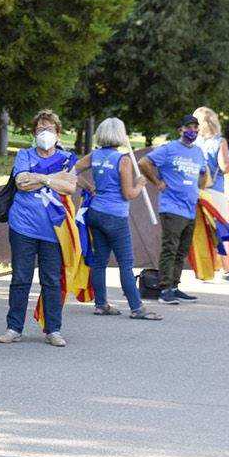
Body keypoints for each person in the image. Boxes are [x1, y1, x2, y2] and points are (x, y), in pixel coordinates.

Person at [0, 110, 79, 347]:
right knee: (21, 278)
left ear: (58, 133)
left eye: (50, 129)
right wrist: (53, 179)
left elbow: (70, 188)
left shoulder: (67, 158)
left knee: (52, 280)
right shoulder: (24, 154)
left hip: (55, 230)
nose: (45, 133)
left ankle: (53, 329)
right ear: (34, 133)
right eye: (41, 129)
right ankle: (14, 327)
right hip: (23, 226)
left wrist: (42, 178)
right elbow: (21, 182)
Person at [75, 118, 160, 321]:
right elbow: (128, 194)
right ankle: (137, 308)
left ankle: (101, 304)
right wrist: (140, 184)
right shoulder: (123, 160)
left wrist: (88, 186)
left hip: (95, 213)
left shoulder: (94, 155)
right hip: (115, 216)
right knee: (125, 262)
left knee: (99, 261)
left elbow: (72, 171)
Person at [139, 116, 210, 305]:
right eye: (189, 127)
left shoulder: (198, 151)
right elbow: (144, 163)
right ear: (180, 129)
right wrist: (157, 182)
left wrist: (201, 180)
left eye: (196, 127)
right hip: (171, 207)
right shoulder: (169, 149)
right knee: (170, 248)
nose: (193, 130)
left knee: (182, 250)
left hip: (190, 208)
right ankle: (164, 289)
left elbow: (202, 177)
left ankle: (174, 286)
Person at [195, 107, 229, 281]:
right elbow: (225, 167)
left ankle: (203, 268)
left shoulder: (195, 142)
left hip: (197, 190)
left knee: (201, 231)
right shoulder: (219, 141)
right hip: (215, 191)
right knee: (220, 230)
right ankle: (226, 269)